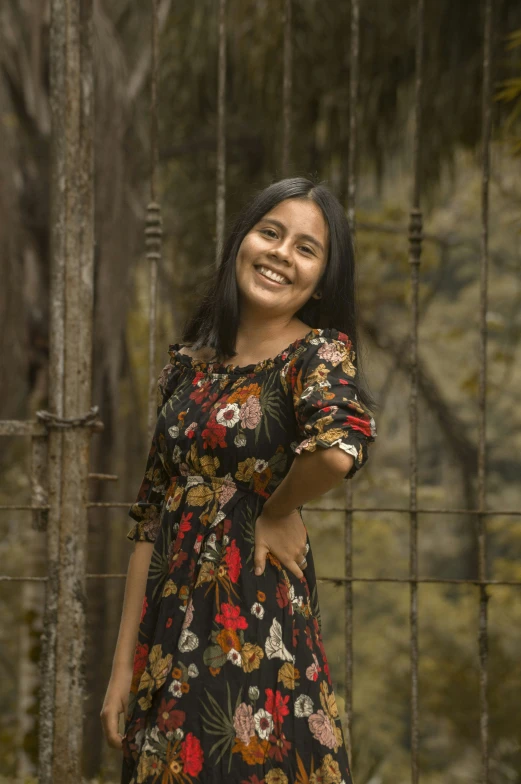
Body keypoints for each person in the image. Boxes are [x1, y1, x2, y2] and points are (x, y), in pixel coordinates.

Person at [101, 176, 378, 784]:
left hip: (253, 624)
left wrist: (277, 511)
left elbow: (339, 447)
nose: (282, 253)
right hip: (167, 633)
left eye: (307, 248)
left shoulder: (317, 353)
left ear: (324, 277)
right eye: (270, 232)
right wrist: (124, 666)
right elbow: (150, 519)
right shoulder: (187, 367)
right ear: (240, 242)